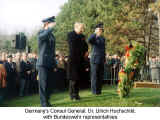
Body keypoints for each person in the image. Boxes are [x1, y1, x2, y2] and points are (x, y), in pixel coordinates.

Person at [36, 16, 57, 107]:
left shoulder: (52, 35)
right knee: (43, 84)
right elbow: (43, 36)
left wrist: (54, 63)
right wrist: (49, 28)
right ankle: (43, 103)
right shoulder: (41, 32)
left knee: (50, 84)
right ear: (47, 24)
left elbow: (52, 51)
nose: (54, 25)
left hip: (50, 63)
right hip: (43, 63)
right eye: (52, 23)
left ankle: (47, 101)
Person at [67, 22, 88, 100]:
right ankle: (72, 95)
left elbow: (85, 46)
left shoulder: (82, 36)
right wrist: (83, 51)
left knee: (78, 78)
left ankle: (77, 94)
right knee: (73, 79)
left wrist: (86, 51)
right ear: (76, 27)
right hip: (73, 60)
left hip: (80, 60)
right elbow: (73, 47)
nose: (82, 30)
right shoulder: (71, 35)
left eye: (83, 28)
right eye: (81, 28)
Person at [88, 23, 106, 95]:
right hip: (95, 59)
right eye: (99, 29)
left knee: (100, 76)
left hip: (101, 59)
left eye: (101, 29)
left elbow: (103, 49)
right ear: (96, 30)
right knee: (94, 76)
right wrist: (95, 33)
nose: (101, 31)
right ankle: (94, 91)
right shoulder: (94, 37)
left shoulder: (103, 38)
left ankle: (99, 91)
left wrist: (104, 58)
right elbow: (89, 40)